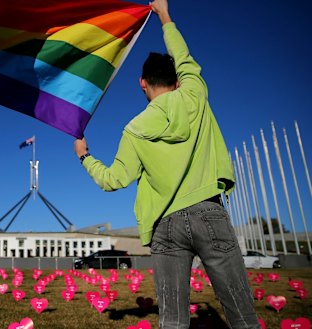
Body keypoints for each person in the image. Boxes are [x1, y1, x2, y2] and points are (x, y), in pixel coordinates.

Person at [73, 0, 260, 328]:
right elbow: (185, 59)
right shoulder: (194, 96)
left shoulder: (133, 129)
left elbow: (113, 180)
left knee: (172, 320)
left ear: (142, 84)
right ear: (176, 81)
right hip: (209, 212)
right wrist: (164, 16)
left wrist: (86, 157)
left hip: (165, 227)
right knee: (243, 316)